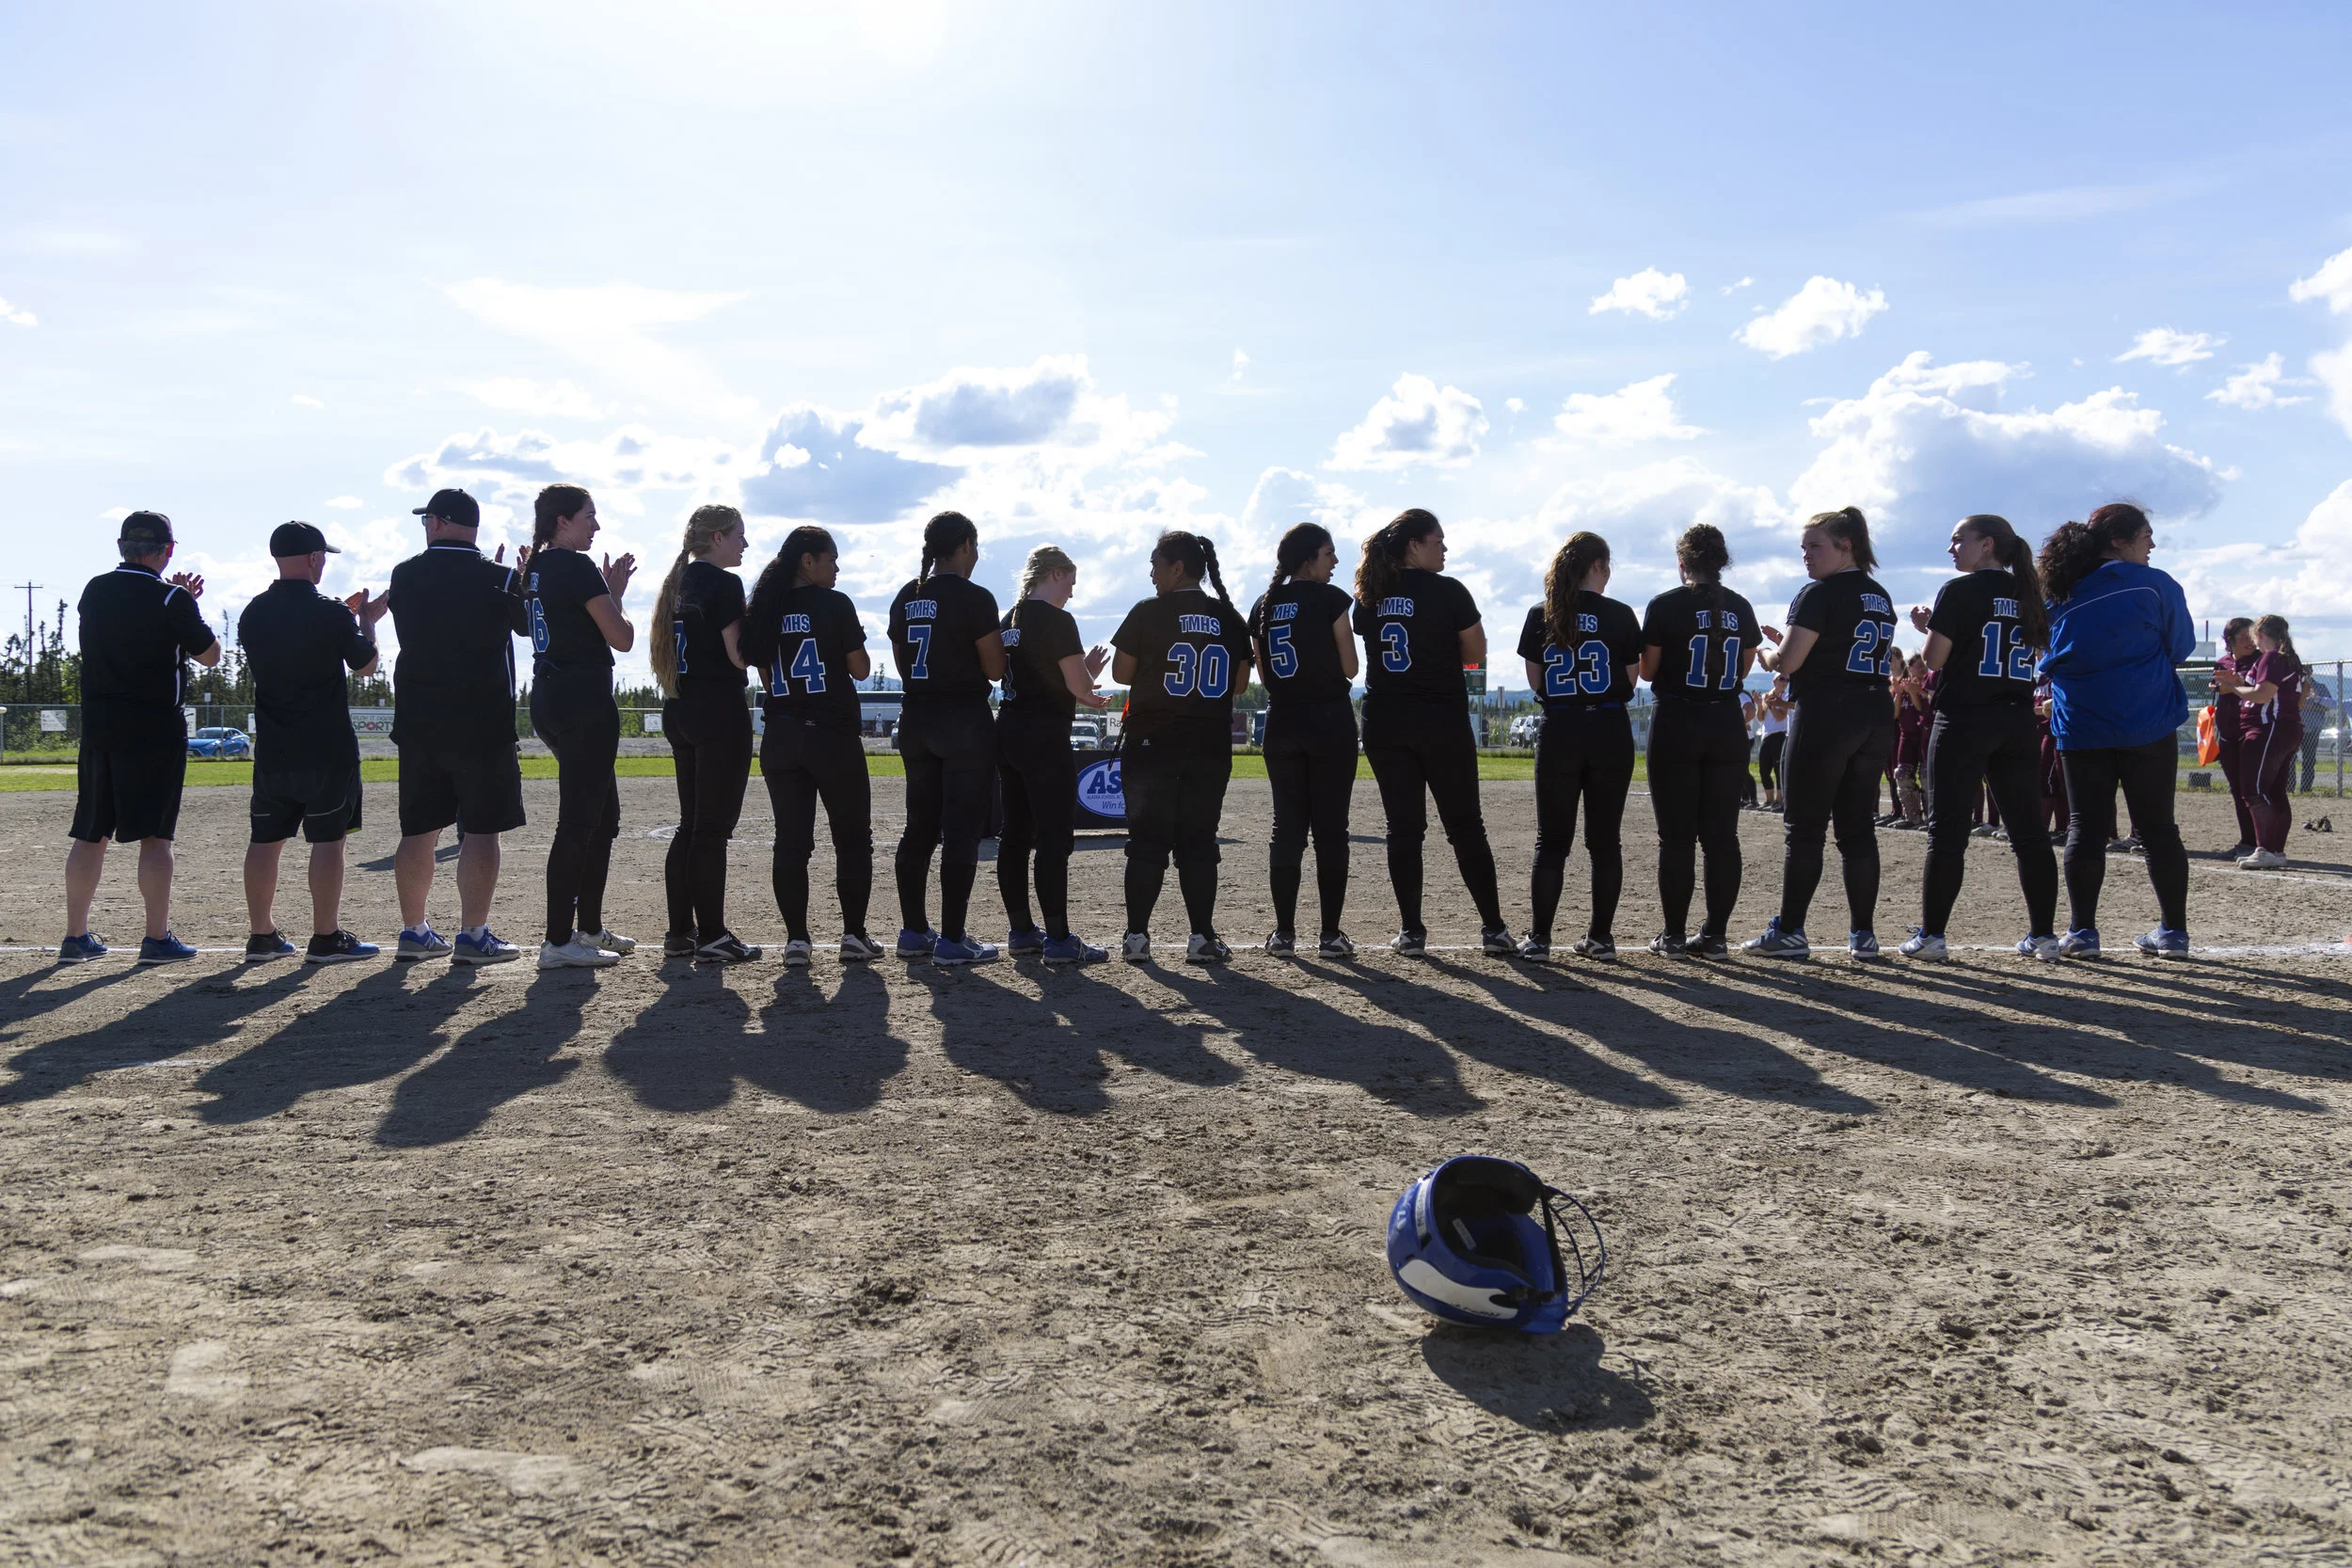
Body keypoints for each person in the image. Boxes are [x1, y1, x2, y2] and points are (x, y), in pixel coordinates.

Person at [59, 510, 222, 963]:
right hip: (153, 729)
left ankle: (75, 936)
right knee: (155, 837)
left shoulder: (95, 589)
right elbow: (210, 655)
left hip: (100, 725)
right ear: (167, 551)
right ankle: (155, 938)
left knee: (90, 833)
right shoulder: (171, 598)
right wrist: (186, 602)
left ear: (121, 547)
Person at [1896, 514, 2059, 960]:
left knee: (1947, 832)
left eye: (1958, 540)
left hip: (1965, 718)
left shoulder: (1959, 589)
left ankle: (1932, 936)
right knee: (2029, 834)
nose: (1951, 549)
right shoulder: (2028, 591)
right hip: (2017, 720)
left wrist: (1930, 627)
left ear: (1986, 544)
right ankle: (2043, 936)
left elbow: (1934, 658)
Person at [1352, 509, 1515, 956]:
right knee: (1465, 825)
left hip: (1386, 719)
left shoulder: (1369, 596)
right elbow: (1476, 653)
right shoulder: (1448, 591)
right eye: (1437, 540)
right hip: (1440, 719)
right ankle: (1493, 929)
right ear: (1413, 546)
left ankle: (1411, 932)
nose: (1444, 548)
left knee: (1403, 828)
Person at [2038, 502, 2195, 956]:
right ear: (2118, 541)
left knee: (2084, 828)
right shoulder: (2155, 584)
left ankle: (2083, 932)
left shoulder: (2059, 593)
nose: (2152, 543)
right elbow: (2180, 646)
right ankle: (2173, 933)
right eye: (2146, 534)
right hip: (2148, 721)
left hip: (2081, 726)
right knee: (2159, 828)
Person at [388, 487, 532, 965]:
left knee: (419, 830)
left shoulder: (405, 574)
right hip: (481, 721)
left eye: (427, 519)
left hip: (420, 720)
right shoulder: (499, 576)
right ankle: (473, 935)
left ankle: (414, 931)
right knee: (482, 830)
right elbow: (526, 627)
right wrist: (517, 580)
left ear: (439, 522)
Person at [1747, 507, 1899, 959]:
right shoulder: (1879, 594)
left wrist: (1772, 653)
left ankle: (1791, 930)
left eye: (1816, 546)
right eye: (1804, 548)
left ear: (1845, 545)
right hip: (1873, 710)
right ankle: (1863, 936)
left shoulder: (1818, 592)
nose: (1806, 556)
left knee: (1805, 828)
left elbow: (1789, 664)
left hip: (1828, 712)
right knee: (1857, 830)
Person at [236, 521, 388, 963]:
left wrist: (340, 616)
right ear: (313, 558)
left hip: (274, 748)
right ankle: (325, 936)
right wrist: (366, 622)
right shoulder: (330, 612)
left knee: (265, 839)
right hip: (326, 748)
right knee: (328, 839)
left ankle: (261, 935)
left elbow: (290, 640)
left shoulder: (253, 612)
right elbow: (366, 666)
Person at [1112, 531, 1253, 961]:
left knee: (1147, 843)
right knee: (1198, 842)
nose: (1152, 574)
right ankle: (1201, 938)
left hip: (1152, 743)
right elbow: (1242, 683)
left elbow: (1120, 672)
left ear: (1177, 568)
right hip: (1208, 745)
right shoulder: (1228, 616)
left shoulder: (1148, 611)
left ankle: (1137, 938)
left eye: (1156, 564)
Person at [743, 526, 880, 965]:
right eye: (831, 559)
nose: (836, 567)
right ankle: (853, 935)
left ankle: (797, 941)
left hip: (781, 736)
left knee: (791, 842)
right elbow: (860, 669)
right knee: (853, 839)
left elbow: (765, 675)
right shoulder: (834, 604)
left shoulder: (764, 607)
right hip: (831, 736)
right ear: (808, 561)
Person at [523, 483, 639, 969]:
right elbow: (623, 638)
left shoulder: (538, 567)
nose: (596, 524)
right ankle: (557, 940)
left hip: (549, 695)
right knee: (578, 822)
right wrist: (614, 595)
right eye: (589, 515)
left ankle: (587, 927)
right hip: (582, 700)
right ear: (561, 521)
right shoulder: (573, 564)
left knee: (603, 818)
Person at [1516, 531, 1643, 959]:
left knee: (1551, 841)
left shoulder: (1541, 614)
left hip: (1560, 730)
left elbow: (1536, 682)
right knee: (1604, 841)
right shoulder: (1621, 614)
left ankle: (1538, 939)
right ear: (1597, 566)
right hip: (1608, 728)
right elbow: (1631, 679)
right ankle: (1601, 939)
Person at [886, 511, 1007, 964]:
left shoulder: (906, 595)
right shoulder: (975, 597)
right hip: (963, 722)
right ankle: (953, 940)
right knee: (960, 832)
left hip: (917, 718)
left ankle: (914, 931)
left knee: (919, 827)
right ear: (964, 547)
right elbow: (994, 668)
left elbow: (902, 663)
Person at [1638, 523, 1759, 958]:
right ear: (1721, 562)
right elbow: (1743, 668)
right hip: (1726, 723)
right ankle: (1715, 935)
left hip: (1678, 720)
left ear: (1683, 563)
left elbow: (1648, 671)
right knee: (1722, 837)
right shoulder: (1740, 607)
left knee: (1676, 837)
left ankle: (1672, 935)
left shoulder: (1666, 604)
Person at [648, 504, 759, 963]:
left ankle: (681, 932)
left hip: (680, 706)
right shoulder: (724, 583)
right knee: (711, 830)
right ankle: (712, 935)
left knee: (690, 825)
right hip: (719, 711)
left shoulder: (677, 583)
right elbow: (738, 656)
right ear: (716, 538)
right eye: (738, 536)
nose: (744, 545)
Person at [1248, 522, 1360, 956]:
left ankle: (1283, 933)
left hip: (1281, 723)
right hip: (1329, 721)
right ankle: (1330, 935)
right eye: (1328, 554)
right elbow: (1350, 667)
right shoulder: (1329, 599)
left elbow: (1264, 670)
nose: (1334, 562)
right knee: (1332, 830)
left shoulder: (1264, 602)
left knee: (1287, 830)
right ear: (1308, 558)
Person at [996, 545, 1112, 963]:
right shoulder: (1058, 619)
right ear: (1057, 574)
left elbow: (1036, 676)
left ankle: (1022, 931)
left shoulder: (1008, 619)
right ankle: (1060, 940)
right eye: (1071, 583)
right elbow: (1077, 689)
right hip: (1045, 735)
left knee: (1014, 834)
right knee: (1053, 836)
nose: (1072, 594)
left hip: (1008, 730)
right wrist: (1091, 688)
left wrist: (1084, 678)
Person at [2227, 613, 2304, 868]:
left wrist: (2234, 689)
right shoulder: (2290, 658)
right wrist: (2241, 684)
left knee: (2254, 790)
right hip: (2284, 729)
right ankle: (2275, 851)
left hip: (2268, 729)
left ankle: (2266, 849)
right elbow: (2301, 697)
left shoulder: (2272, 657)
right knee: (2274, 791)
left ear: (2260, 634)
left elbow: (2262, 695)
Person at [2210, 617, 2258, 858]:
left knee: (2253, 789)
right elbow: (2217, 686)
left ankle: (2261, 842)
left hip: (2250, 734)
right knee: (2237, 789)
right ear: (2230, 641)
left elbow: (2254, 689)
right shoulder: (2223, 662)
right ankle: (2246, 840)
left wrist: (2233, 684)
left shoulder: (2260, 660)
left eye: (2252, 636)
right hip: (2227, 735)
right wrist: (2228, 684)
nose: (2250, 641)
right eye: (2244, 637)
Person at [1889, 655, 1931, 828]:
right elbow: (1895, 715)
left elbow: (1922, 709)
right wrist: (1899, 694)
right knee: (1902, 774)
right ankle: (1912, 817)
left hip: (1923, 735)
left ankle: (1931, 817)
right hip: (1906, 736)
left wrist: (1915, 692)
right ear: (1910, 668)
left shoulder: (1927, 687)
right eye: (1919, 667)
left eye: (1925, 667)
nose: (1923, 671)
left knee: (1926, 775)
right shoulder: (1904, 686)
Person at [1756, 677, 1789, 812]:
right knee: (1764, 769)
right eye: (1781, 679)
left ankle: (1779, 800)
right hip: (1767, 735)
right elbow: (1760, 717)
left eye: (1787, 680)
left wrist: (1771, 705)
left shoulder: (1786, 696)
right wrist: (1760, 705)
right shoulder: (1767, 695)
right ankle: (1769, 800)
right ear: (1774, 682)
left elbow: (1781, 717)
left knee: (1778, 769)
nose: (1784, 682)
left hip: (1779, 735)